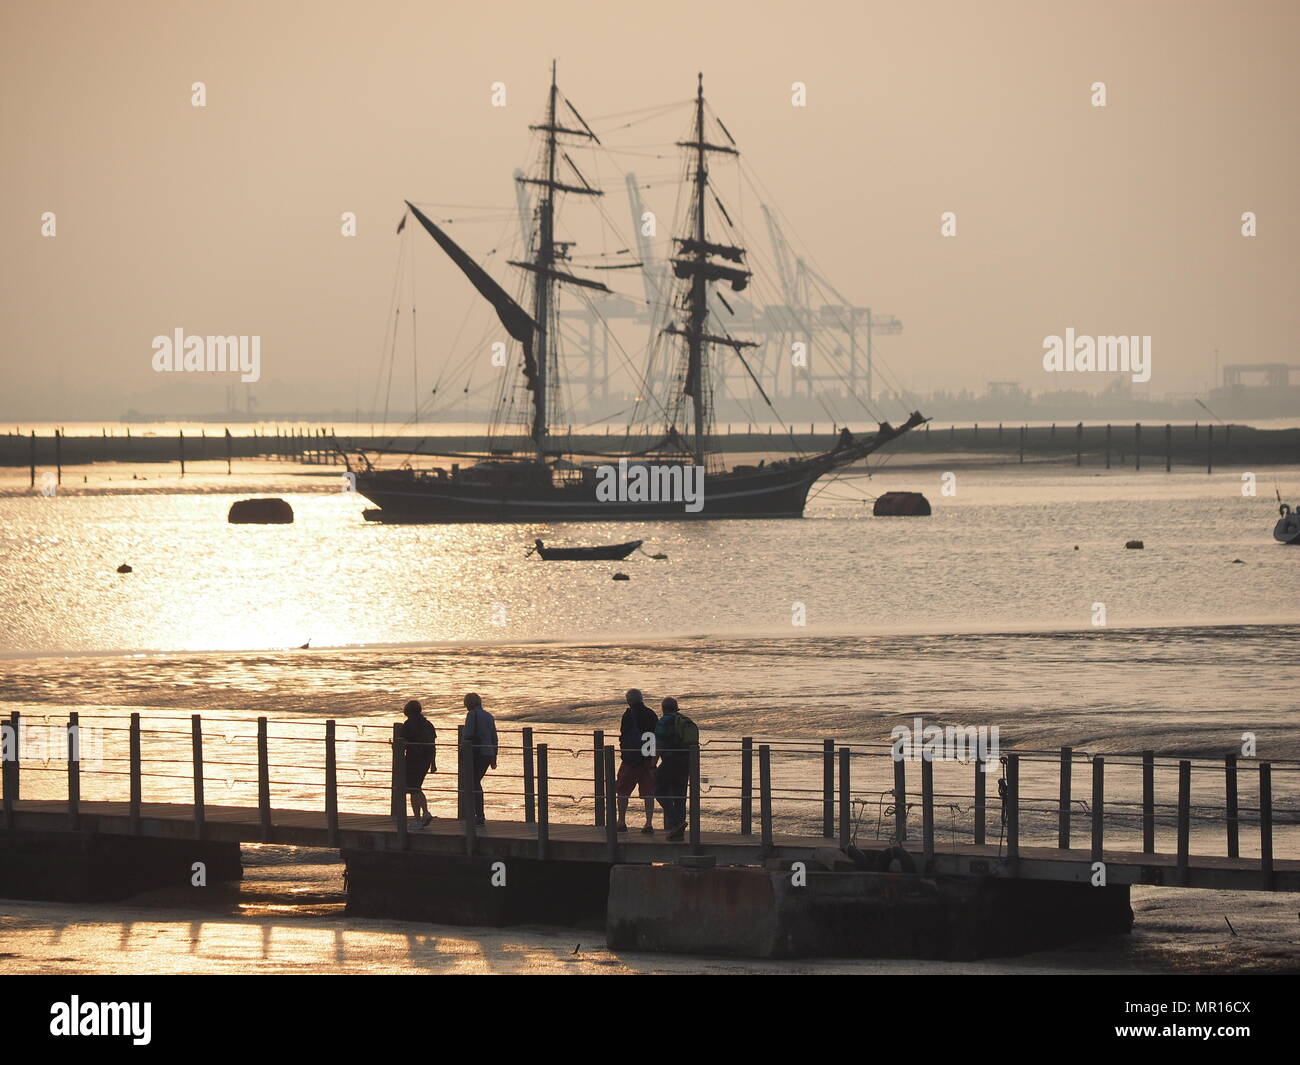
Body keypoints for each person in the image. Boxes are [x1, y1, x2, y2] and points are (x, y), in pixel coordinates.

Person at [653, 696, 698, 841]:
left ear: (663, 708)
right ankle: (678, 831)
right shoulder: (684, 720)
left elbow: (658, 745)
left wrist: (652, 765)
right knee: (680, 796)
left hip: (671, 760)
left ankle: (677, 823)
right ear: (676, 708)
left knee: (658, 790)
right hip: (686, 762)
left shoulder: (664, 721)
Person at [614, 688, 658, 834]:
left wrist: (624, 751)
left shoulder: (628, 715)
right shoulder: (652, 714)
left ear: (629, 700)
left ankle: (621, 821)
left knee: (622, 790)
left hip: (631, 759)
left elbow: (624, 735)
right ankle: (648, 823)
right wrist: (652, 760)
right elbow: (654, 737)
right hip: (647, 758)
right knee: (648, 792)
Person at [399, 700, 437, 827]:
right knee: (416, 787)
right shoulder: (428, 724)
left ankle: (419, 818)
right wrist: (433, 763)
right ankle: (423, 815)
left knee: (413, 788)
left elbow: (402, 743)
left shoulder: (408, 724)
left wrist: (395, 747)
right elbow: (433, 745)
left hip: (413, 759)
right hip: (426, 759)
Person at [462, 692, 497, 827]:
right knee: (476, 781)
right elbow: (494, 737)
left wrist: (462, 749)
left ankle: (478, 815)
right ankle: (478, 814)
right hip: (487, 753)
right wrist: (494, 756)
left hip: (476, 752)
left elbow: (468, 734)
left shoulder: (472, 715)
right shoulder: (489, 716)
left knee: (473, 783)